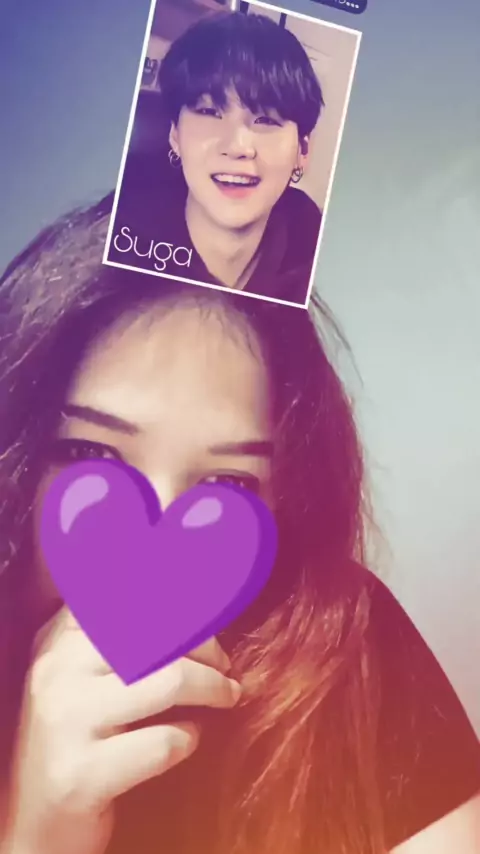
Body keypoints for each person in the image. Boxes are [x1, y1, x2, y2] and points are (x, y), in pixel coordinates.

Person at [0, 196, 479, 854]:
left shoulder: (348, 639)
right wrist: (38, 836)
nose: (156, 539)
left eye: (228, 483)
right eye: (91, 455)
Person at [107, 11, 325, 306]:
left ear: (302, 151)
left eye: (266, 120)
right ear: (175, 135)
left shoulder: (316, 248)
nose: (237, 147)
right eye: (209, 112)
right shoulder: (112, 237)